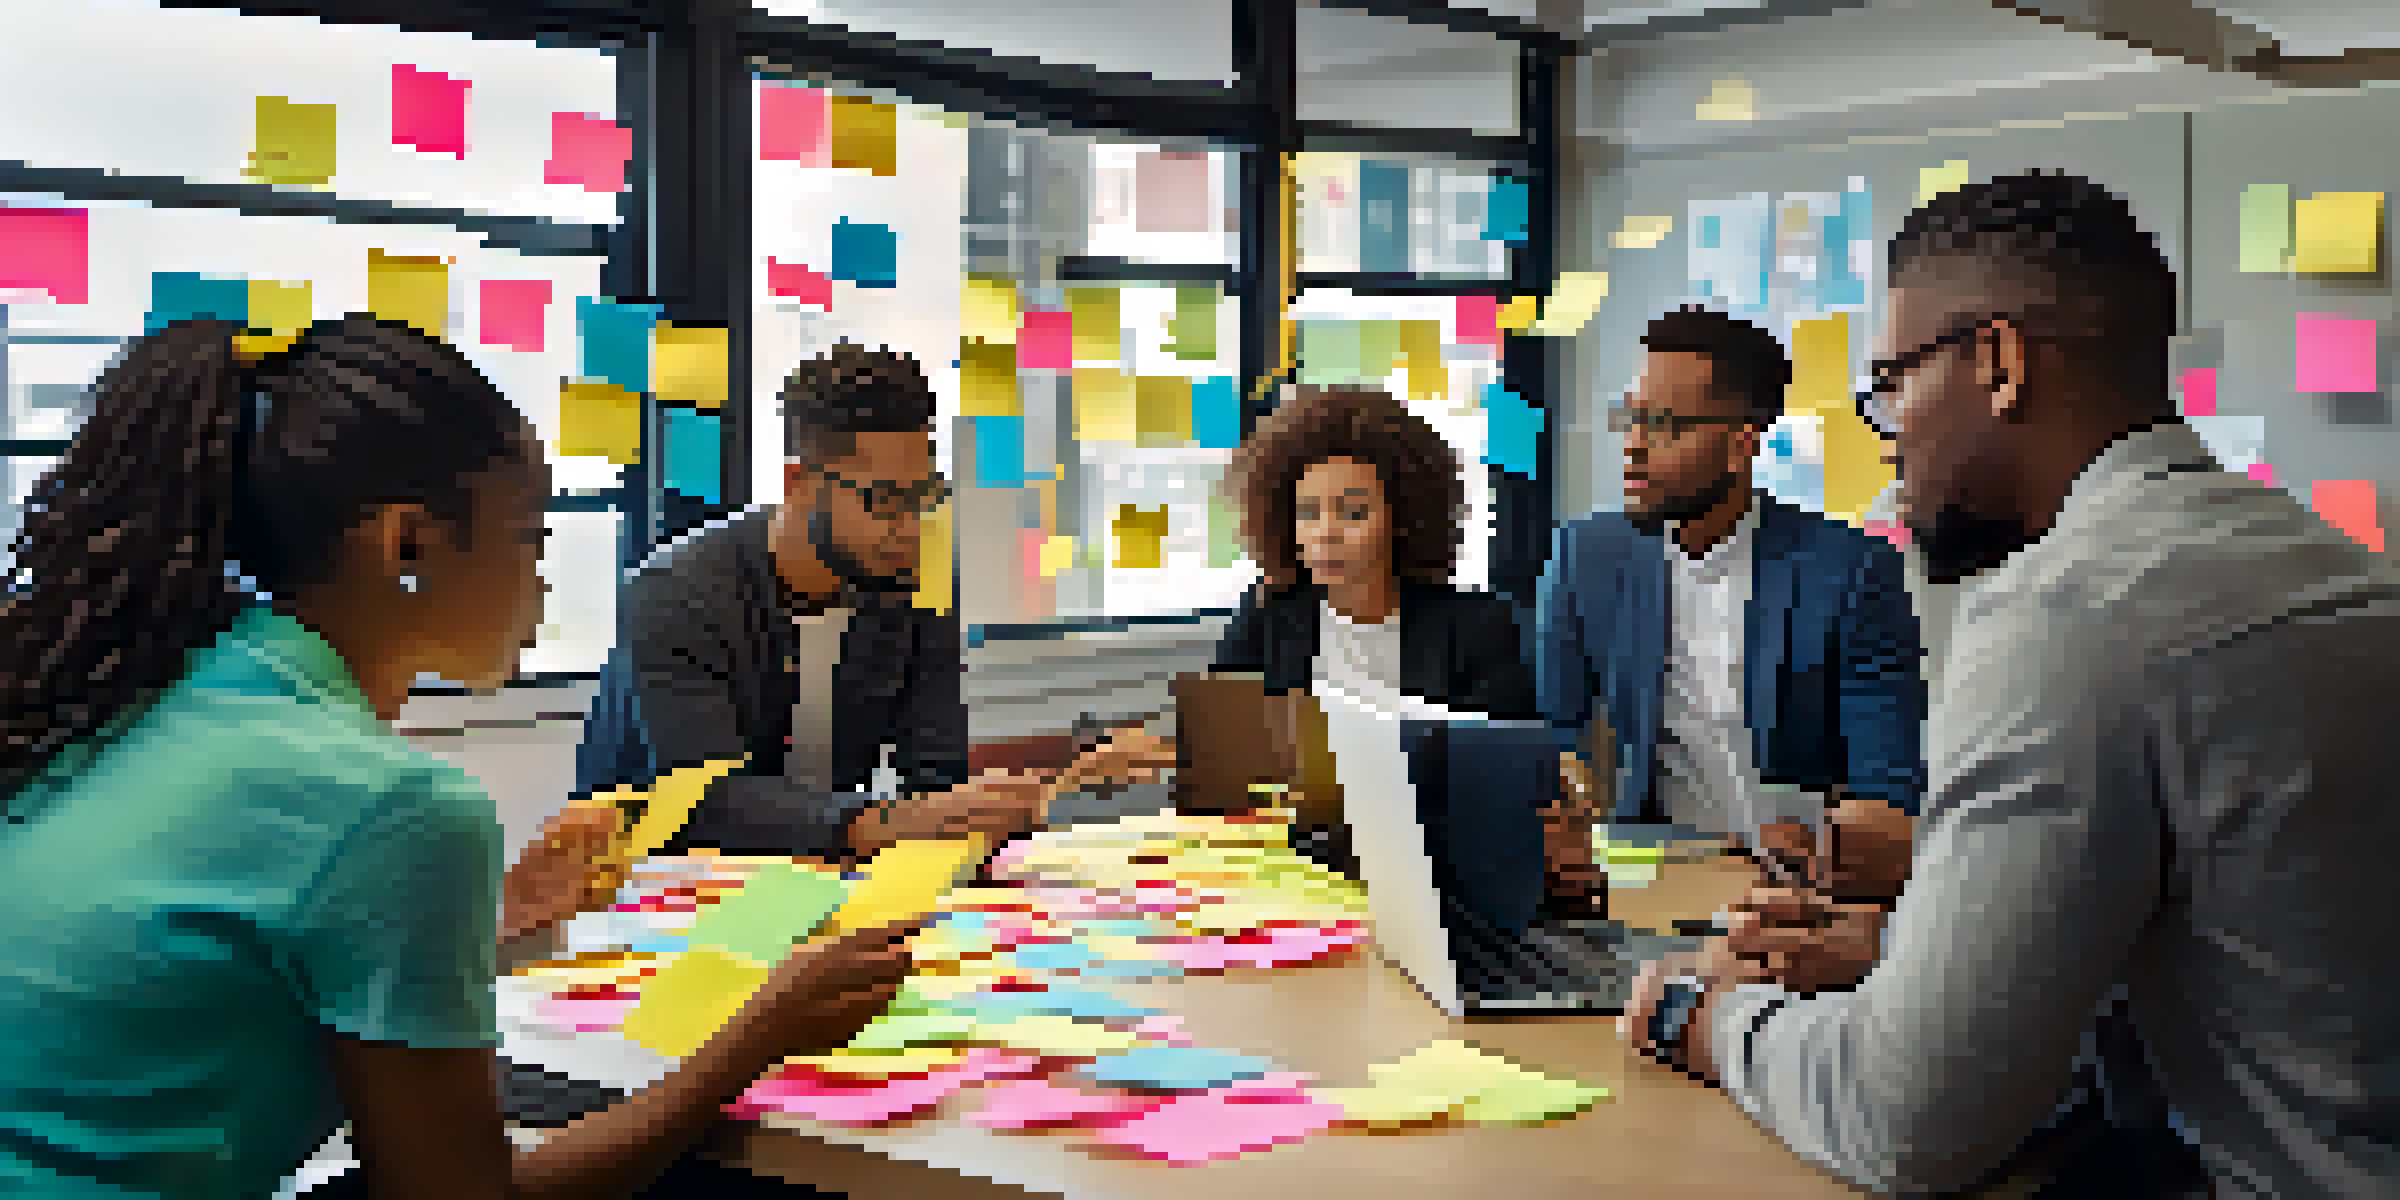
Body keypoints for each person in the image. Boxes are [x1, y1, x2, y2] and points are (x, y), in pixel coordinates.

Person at [0, 316, 921, 1199]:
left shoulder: (130, 695)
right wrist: (757, 1039)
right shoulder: (393, 807)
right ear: (408, 544)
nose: (545, 581)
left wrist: (494, 922)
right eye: (530, 539)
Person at [1621, 172, 2400, 1198]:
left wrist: (1705, 1015)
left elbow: (1904, 1123)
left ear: (1996, 362)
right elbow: (2258, 957)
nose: (1889, 434)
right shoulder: (2332, 569)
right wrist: (1901, 950)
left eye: (1893, 384)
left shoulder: (2068, 614)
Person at [554, 344, 1170, 913]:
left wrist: (1049, 785)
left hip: (816, 881)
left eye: (925, 497)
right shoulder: (675, 591)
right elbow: (706, 804)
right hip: (655, 894)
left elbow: (935, 775)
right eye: (884, 500)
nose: (909, 527)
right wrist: (883, 823)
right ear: (799, 485)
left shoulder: (915, 573)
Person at [1532, 305, 1926, 904]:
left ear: (1741, 444)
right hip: (1655, 875)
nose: (1633, 447)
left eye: (1663, 425)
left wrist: (1829, 842)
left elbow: (1890, 785)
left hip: (1802, 893)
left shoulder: (1852, 571)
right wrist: (1566, 820)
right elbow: (1549, 732)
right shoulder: (1587, 554)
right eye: (1630, 418)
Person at [1213, 383, 1600, 909]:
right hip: (1294, 877)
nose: (1325, 533)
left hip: (1439, 881)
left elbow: (1505, 769)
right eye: (1307, 513)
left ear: (1401, 520)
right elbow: (1223, 764)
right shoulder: (1268, 614)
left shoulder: (1474, 624)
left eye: (1352, 514)